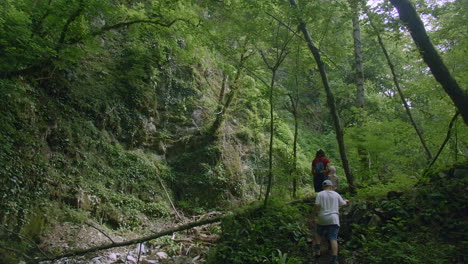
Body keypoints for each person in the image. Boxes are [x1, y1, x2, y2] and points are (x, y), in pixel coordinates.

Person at [311, 180, 349, 264]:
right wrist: (346, 201)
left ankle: (317, 250)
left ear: (323, 187)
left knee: (318, 233)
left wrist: (313, 217)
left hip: (322, 218)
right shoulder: (336, 194)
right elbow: (343, 204)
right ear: (331, 186)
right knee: (333, 238)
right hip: (334, 219)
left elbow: (317, 206)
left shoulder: (320, 194)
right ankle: (334, 258)